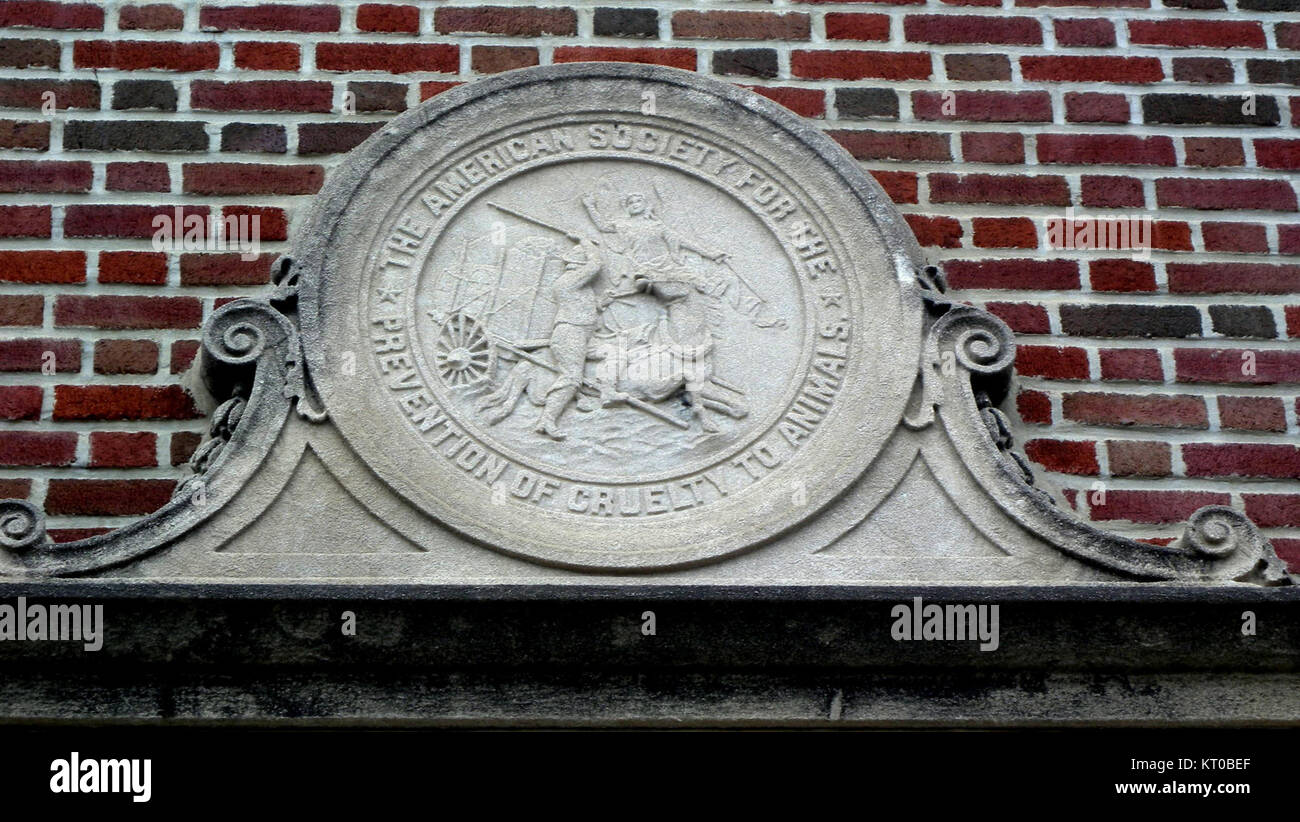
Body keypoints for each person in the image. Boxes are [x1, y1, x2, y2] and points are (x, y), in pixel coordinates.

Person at [535, 237, 602, 440]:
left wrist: (602, 302)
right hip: (570, 335)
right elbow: (596, 264)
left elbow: (584, 307)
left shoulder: (576, 284)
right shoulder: (570, 280)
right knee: (571, 378)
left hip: (582, 334)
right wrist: (586, 242)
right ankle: (546, 420)